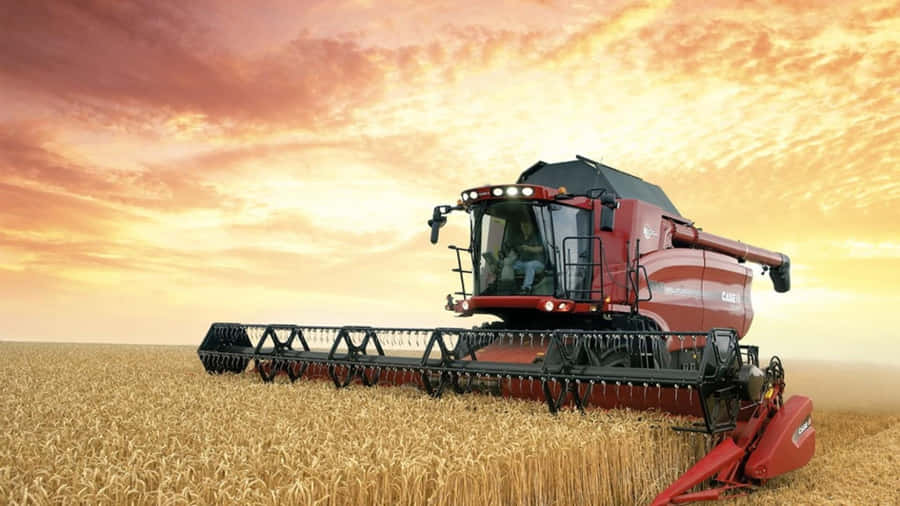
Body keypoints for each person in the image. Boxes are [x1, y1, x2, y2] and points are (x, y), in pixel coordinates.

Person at [511, 220, 544, 293]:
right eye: (523, 226)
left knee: (530, 265)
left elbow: (542, 248)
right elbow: (515, 250)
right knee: (510, 266)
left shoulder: (538, 236)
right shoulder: (520, 238)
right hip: (522, 262)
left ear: (531, 227)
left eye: (526, 226)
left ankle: (526, 288)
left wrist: (528, 248)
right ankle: (507, 286)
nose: (524, 228)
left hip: (538, 262)